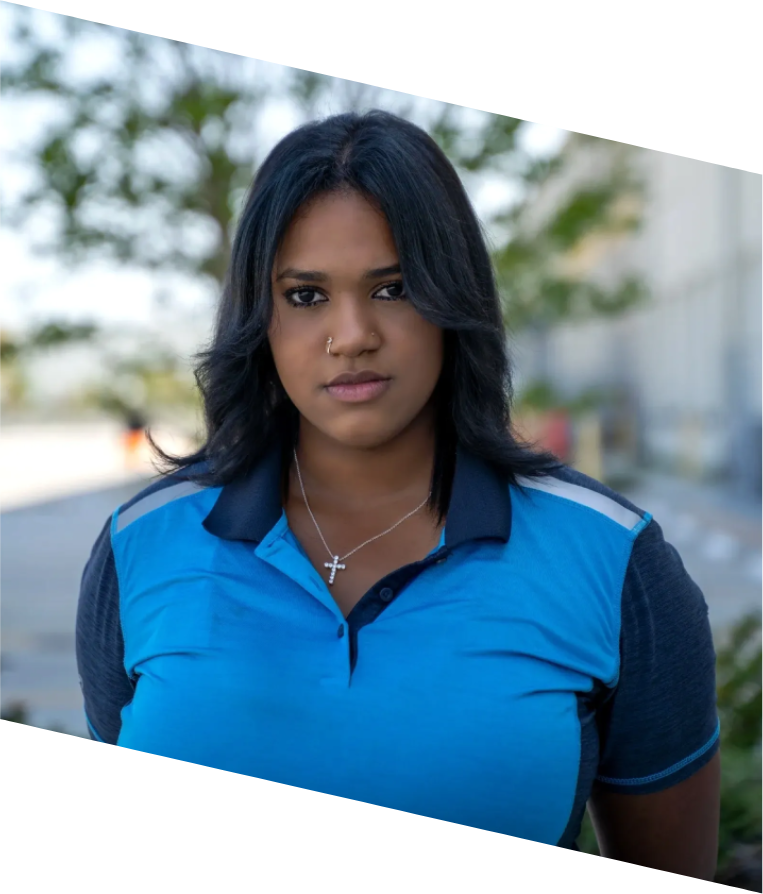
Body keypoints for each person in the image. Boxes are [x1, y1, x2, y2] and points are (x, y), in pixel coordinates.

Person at [76, 111, 720, 873]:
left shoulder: (614, 559)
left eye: (393, 287)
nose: (350, 334)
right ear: (260, 317)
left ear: (454, 300)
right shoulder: (140, 545)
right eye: (306, 295)